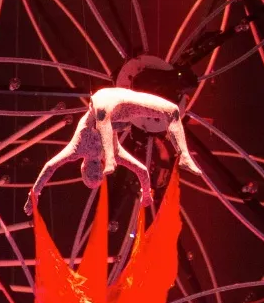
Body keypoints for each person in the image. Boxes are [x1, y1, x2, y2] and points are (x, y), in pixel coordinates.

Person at [27, 87, 203, 212]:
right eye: (99, 177)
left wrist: (34, 194)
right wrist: (146, 193)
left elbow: (50, 166)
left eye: (92, 176)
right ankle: (184, 156)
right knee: (172, 111)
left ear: (83, 168)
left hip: (104, 101)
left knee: (102, 117)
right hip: (124, 104)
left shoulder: (76, 149)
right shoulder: (118, 153)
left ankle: (110, 158)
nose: (97, 173)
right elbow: (141, 170)